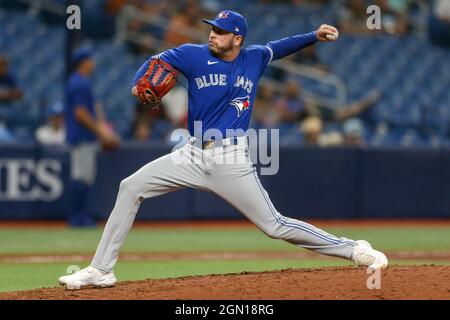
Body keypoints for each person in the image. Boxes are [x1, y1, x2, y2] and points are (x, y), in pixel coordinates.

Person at [59, 10, 388, 289]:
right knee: (130, 187)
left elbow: (280, 47)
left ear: (237, 38)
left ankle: (353, 249)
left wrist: (314, 35)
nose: (213, 35)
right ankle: (101, 269)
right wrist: (138, 85)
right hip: (190, 153)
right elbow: (153, 63)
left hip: (230, 157)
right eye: (212, 29)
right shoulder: (192, 54)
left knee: (274, 225)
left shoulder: (255, 58)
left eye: (220, 31)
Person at [64, 48, 119, 228]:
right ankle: (76, 217)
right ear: (83, 62)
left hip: (84, 136)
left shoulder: (80, 81)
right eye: (90, 59)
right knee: (80, 177)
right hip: (81, 137)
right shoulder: (79, 82)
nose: (92, 63)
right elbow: (80, 114)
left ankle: (79, 216)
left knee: (83, 177)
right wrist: (101, 132)